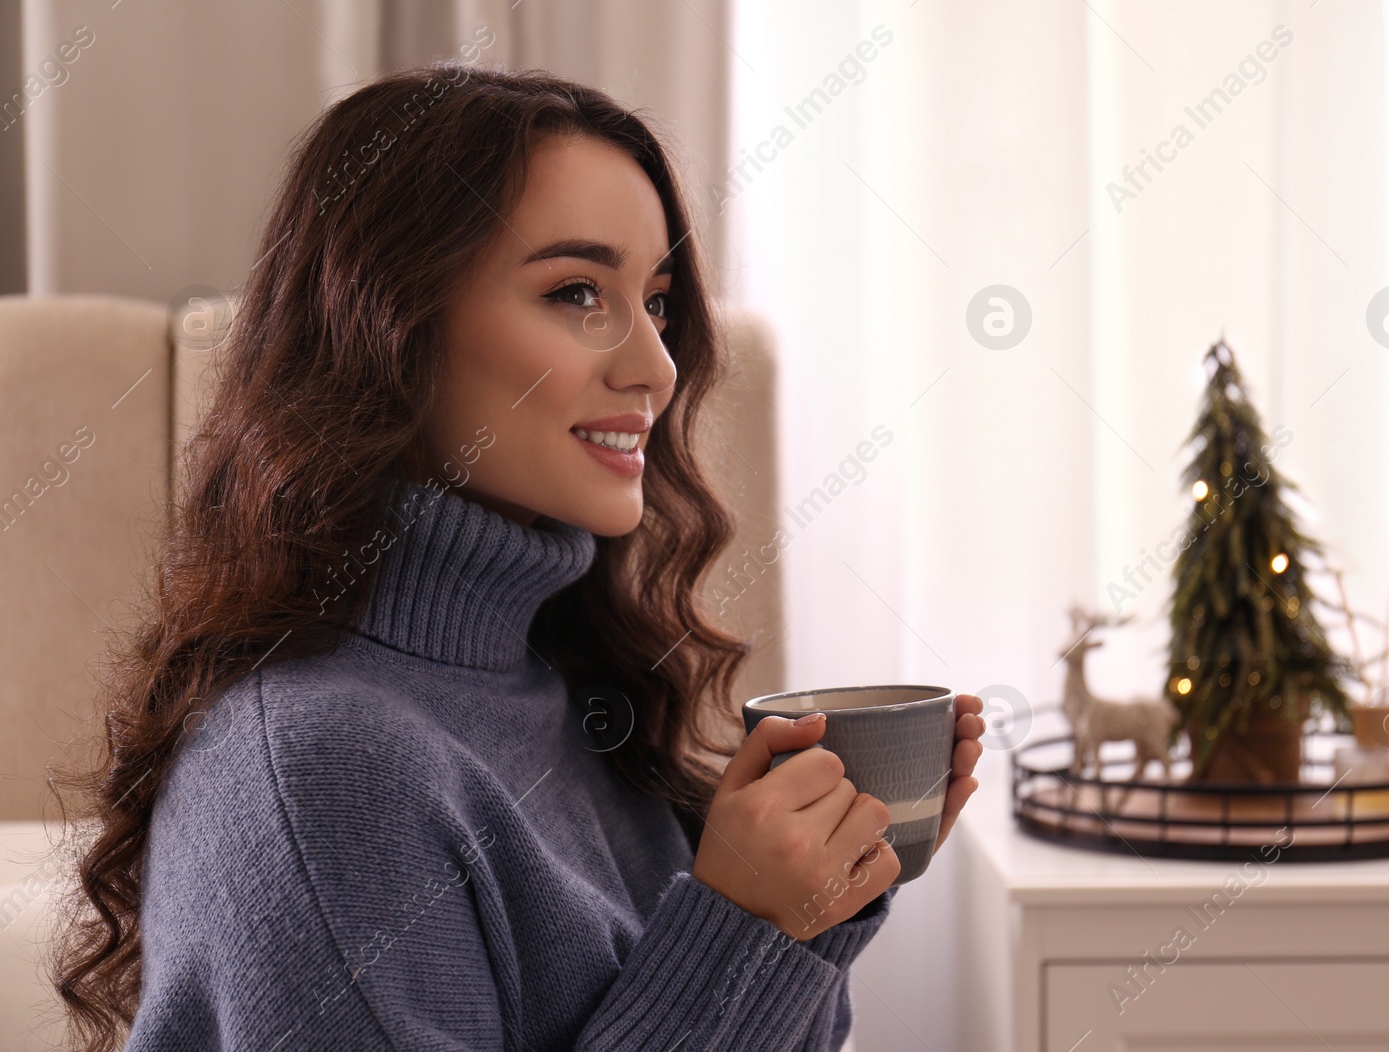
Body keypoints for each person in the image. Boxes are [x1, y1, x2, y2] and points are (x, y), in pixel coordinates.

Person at [49, 64, 985, 1052]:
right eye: (577, 291)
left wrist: (816, 897)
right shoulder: (324, 771)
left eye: (656, 300)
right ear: (388, 324)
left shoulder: (571, 686)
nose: (655, 366)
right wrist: (743, 927)